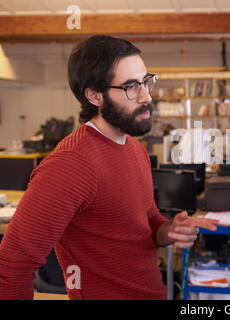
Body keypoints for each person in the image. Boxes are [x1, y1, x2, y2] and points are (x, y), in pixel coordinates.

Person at [0, 35, 216, 300]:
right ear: (94, 96)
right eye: (130, 87)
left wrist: (168, 230)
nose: (146, 96)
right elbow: (12, 265)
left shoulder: (135, 149)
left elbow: (147, 223)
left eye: (146, 82)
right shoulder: (71, 164)